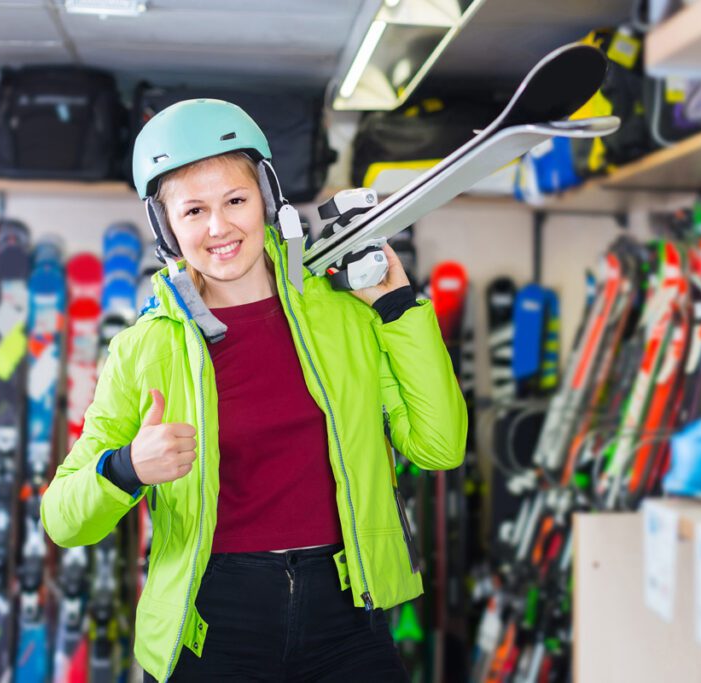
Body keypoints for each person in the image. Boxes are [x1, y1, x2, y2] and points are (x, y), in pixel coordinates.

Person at [41, 99, 468, 682]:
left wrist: (400, 309)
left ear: (265, 199)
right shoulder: (145, 348)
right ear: (167, 226)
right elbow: (63, 521)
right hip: (216, 624)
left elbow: (438, 446)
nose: (218, 227)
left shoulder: (346, 315)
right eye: (193, 210)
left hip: (346, 617)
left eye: (235, 201)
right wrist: (126, 469)